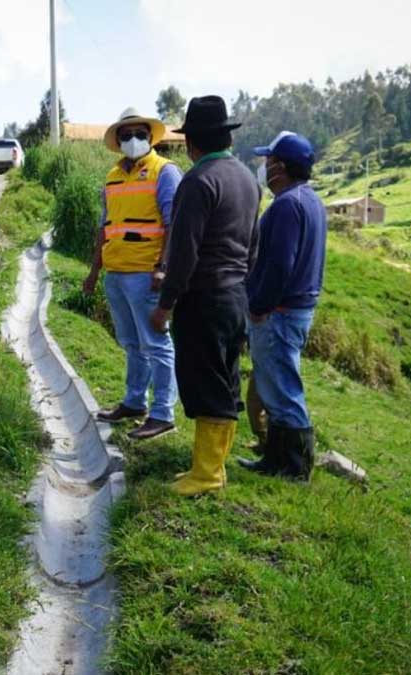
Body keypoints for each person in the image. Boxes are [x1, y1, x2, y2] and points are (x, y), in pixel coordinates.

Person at [149, 96, 260, 496]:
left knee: (205, 381)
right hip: (236, 296)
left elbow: (184, 251)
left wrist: (166, 304)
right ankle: (213, 466)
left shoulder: (198, 181)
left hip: (205, 297)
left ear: (192, 142)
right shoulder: (248, 178)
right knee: (226, 378)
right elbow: (253, 245)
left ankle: (207, 475)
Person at [83, 108, 182, 440]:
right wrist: (94, 272)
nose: (133, 140)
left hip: (147, 273)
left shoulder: (164, 172)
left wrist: (163, 268)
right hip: (116, 272)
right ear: (118, 140)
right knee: (130, 343)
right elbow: (104, 226)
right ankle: (134, 401)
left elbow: (174, 225)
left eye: (140, 134)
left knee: (156, 343)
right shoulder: (112, 177)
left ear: (151, 137)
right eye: (126, 135)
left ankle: (163, 413)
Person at [238, 131, 327, 481]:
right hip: (294, 310)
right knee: (275, 388)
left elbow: (279, 264)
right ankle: (274, 460)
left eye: (268, 161)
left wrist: (260, 304)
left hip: (280, 312)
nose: (264, 167)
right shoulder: (310, 201)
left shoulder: (288, 205)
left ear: (281, 166)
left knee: (284, 390)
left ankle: (295, 468)